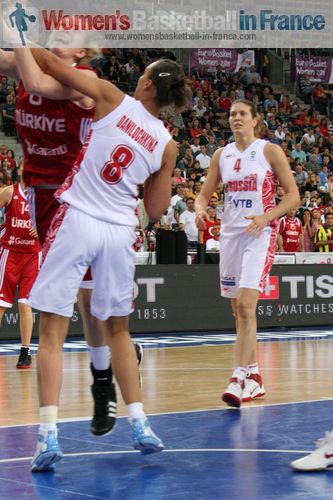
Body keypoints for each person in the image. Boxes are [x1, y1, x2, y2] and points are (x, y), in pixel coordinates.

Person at [15, 47, 189, 471]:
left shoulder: (112, 97)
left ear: (146, 84)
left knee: (53, 329)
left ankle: (48, 435)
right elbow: (154, 208)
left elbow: (52, 67)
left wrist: (27, 38)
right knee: (120, 332)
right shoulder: (167, 144)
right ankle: (140, 424)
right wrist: (164, 165)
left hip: (77, 217)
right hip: (118, 232)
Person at [0, 45, 142, 438]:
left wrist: (18, 25)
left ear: (82, 49)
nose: (54, 32)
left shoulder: (85, 81)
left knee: (88, 301)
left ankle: (101, 382)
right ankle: (106, 370)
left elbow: (37, 81)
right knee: (82, 300)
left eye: (65, 31)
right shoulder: (26, 60)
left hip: (81, 197)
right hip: (40, 198)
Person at [195, 99, 300, 407]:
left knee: (245, 306)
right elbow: (203, 196)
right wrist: (201, 211)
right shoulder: (221, 155)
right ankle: (254, 376)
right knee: (236, 311)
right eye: (232, 114)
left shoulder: (269, 151)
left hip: (260, 233)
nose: (236, 118)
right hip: (230, 236)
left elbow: (293, 196)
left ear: (255, 120)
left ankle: (238, 376)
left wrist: (266, 218)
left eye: (242, 114)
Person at [0, 177, 41, 368]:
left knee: (25, 305)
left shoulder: (42, 195)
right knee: (1, 305)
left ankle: (25, 352)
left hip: (32, 255)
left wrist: (40, 227)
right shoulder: (9, 192)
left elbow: (53, 218)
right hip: (10, 253)